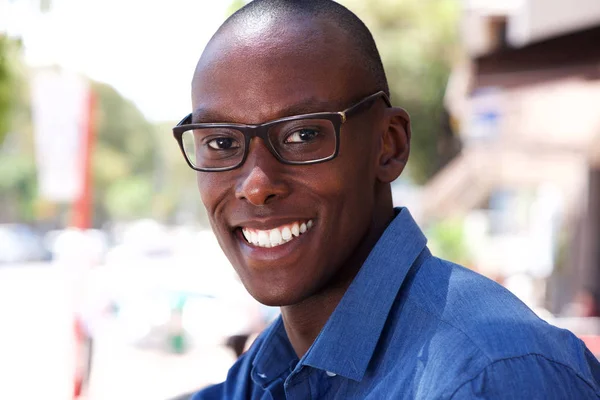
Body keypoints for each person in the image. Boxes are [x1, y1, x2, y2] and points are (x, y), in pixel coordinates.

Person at [172, 0, 600, 398]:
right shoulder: (271, 368)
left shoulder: (487, 375)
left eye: (303, 135)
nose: (256, 184)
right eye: (223, 143)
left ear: (389, 145)